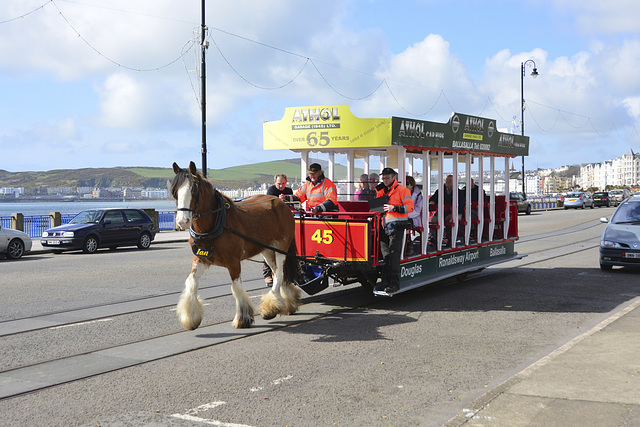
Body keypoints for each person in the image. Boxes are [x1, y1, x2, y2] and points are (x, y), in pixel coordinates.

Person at [374, 167, 414, 294]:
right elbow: (377, 207)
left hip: (396, 227)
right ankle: (385, 282)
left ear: (393, 177)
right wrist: (372, 214)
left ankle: (394, 283)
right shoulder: (380, 190)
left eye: (387, 178)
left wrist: (394, 208)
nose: (384, 180)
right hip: (383, 226)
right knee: (386, 256)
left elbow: (410, 207)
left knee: (393, 255)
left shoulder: (403, 190)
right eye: (383, 178)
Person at [263, 174, 293, 286]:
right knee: (268, 249)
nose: (281, 186)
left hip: (285, 221)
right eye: (279, 183)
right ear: (275, 182)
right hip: (272, 221)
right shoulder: (271, 190)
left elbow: (292, 203)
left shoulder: (289, 190)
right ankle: (267, 274)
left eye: (283, 183)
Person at [405, 176, 423, 255]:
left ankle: (409, 245)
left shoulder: (418, 195)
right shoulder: (401, 193)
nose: (405, 186)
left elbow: (417, 211)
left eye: (407, 184)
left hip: (414, 217)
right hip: (402, 216)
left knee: (406, 223)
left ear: (412, 185)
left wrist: (406, 215)